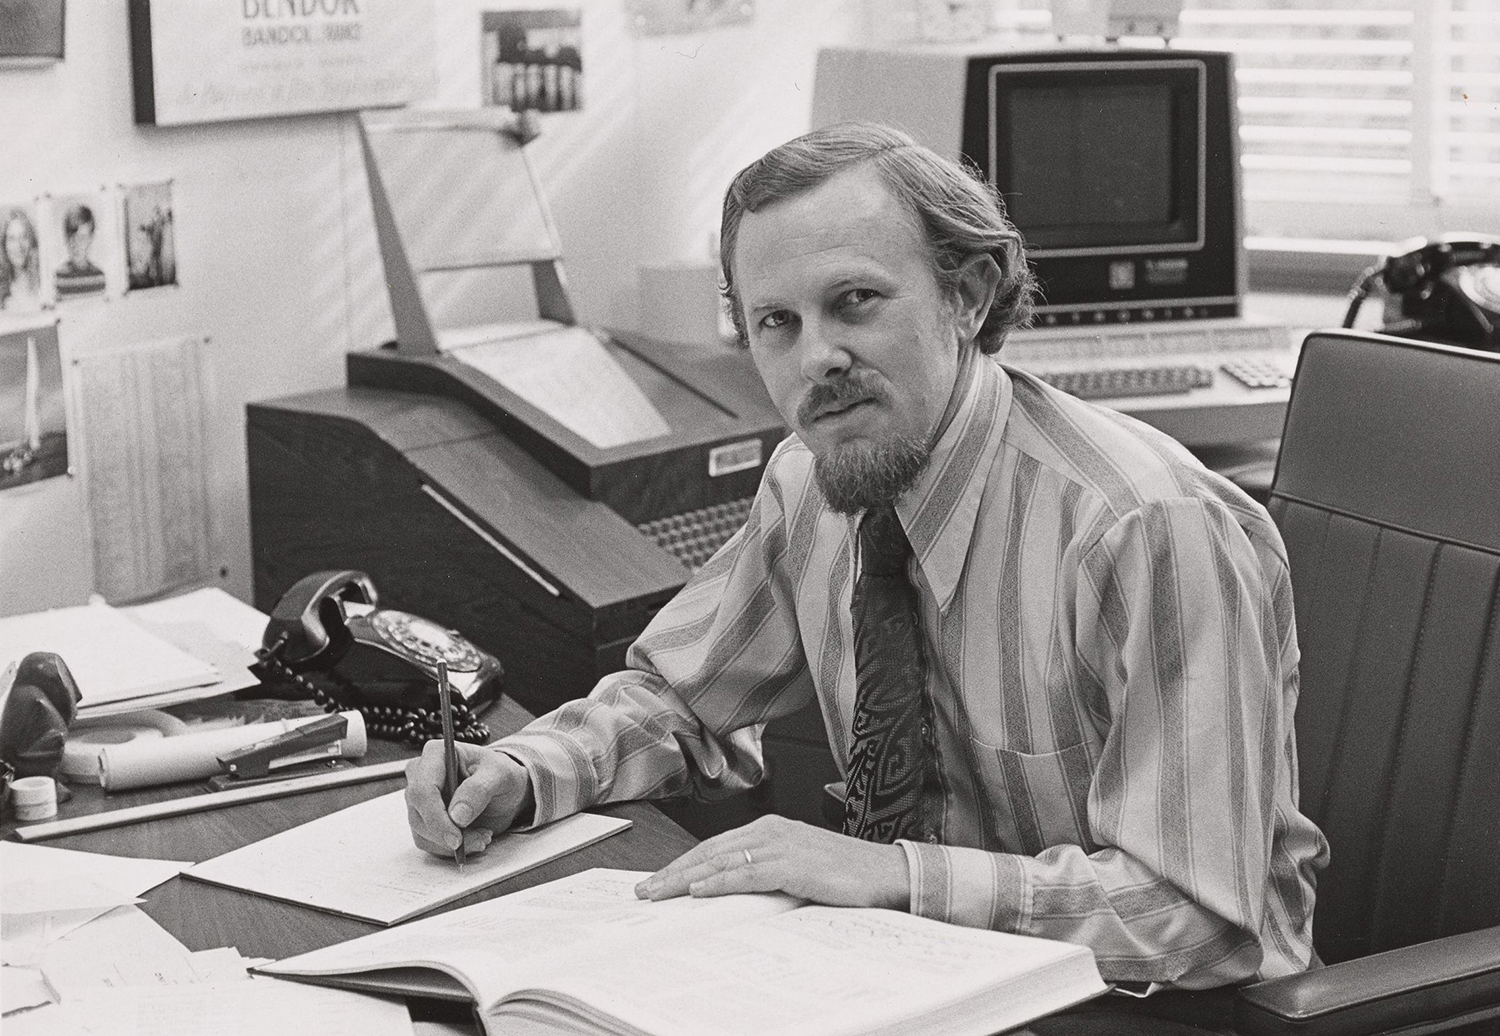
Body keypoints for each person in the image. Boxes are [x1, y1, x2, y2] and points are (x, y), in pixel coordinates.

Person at [406, 123, 1328, 1019]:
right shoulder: (813, 478)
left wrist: (895, 876)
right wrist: (527, 770)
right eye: (777, 322)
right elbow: (682, 699)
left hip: (1160, 1011)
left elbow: (1202, 916)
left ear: (967, 296)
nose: (818, 359)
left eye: (855, 302)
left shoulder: (1144, 529)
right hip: (908, 989)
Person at [54, 203, 105, 300]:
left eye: (82, 238)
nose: (77, 244)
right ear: (66, 238)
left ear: (90, 239)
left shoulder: (99, 277)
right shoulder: (59, 278)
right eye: (72, 237)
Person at [1, 206, 43, 312]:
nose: (18, 246)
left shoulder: (43, 283)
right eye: (12, 239)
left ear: (32, 241)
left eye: (24, 237)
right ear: (4, 245)